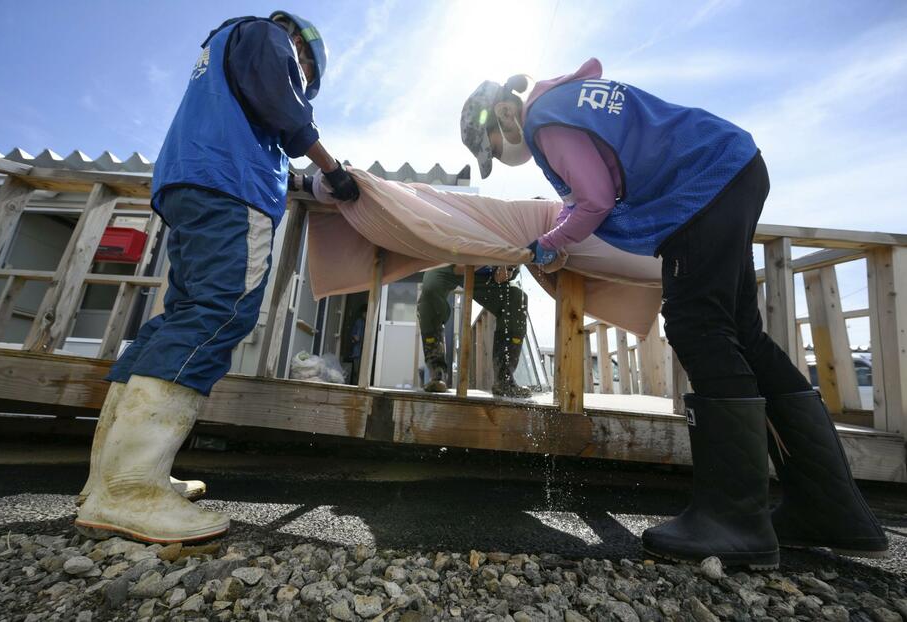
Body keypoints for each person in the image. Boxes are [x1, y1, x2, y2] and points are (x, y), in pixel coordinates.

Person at [460, 59, 887, 567]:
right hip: (733, 166)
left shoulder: (543, 120)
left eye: (494, 151)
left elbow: (594, 199)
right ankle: (830, 508)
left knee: (696, 323)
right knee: (742, 333)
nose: (508, 159)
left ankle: (733, 522)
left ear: (505, 114)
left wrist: (550, 244)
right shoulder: (571, 101)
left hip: (701, 185)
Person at [76, 10, 360, 544]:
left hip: (192, 183)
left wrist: (300, 177)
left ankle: (106, 480)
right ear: (301, 50)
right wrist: (332, 169)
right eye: (305, 72)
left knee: (175, 320)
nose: (301, 78)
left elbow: (263, 129)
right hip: (231, 190)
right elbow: (288, 111)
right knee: (219, 312)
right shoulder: (269, 38)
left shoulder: (224, 53)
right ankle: (131, 489)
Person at [418, 265, 532, 398]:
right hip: (451, 260)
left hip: (486, 273)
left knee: (516, 298)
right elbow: (460, 267)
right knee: (431, 288)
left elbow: (500, 277)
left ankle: (504, 380)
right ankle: (437, 373)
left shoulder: (519, 246)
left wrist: (507, 269)